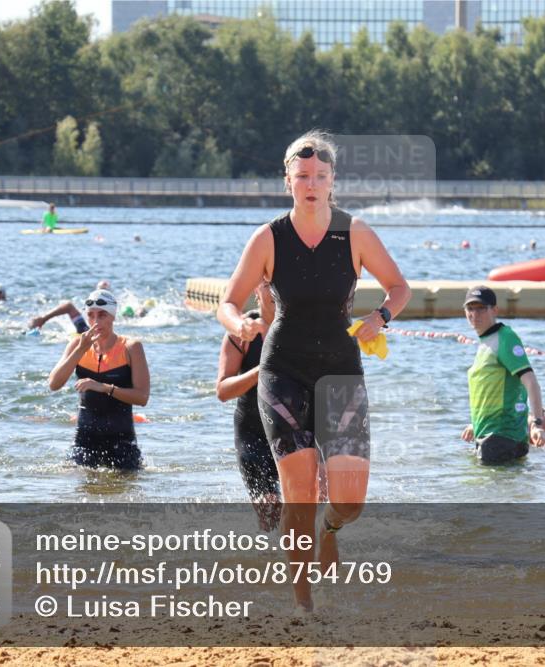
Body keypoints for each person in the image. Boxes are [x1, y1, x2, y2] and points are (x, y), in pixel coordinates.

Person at [216, 131, 411, 612]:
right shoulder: (268, 238)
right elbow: (227, 301)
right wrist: (238, 322)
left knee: (349, 502)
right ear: (288, 180)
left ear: (332, 181)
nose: (311, 183)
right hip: (282, 371)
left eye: (320, 176)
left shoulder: (356, 232)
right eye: (302, 176)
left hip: (341, 371)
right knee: (298, 495)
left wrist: (380, 318)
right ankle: (303, 604)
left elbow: (399, 287)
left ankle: (331, 529)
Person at [48, 289, 150, 470]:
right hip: (84, 440)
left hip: (122, 441)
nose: (96, 322)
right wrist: (80, 350)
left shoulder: (131, 347)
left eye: (102, 315)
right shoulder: (77, 345)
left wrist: (104, 387)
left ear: (113, 317)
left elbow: (142, 397)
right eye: (91, 316)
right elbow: (54, 384)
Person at [458, 286, 545, 464]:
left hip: (502, 437)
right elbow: (490, 392)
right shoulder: (486, 342)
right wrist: (476, 424)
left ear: (494, 310)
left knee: (484, 489)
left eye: (481, 308)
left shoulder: (505, 338)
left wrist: (537, 424)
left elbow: (531, 382)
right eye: (470, 309)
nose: (475, 314)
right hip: (489, 435)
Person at [216, 281, 281, 531]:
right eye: (267, 284)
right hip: (252, 431)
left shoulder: (302, 330)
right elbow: (222, 390)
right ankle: (266, 563)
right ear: (256, 291)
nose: (274, 289)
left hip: (295, 431)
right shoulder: (242, 333)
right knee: (269, 508)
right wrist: (261, 370)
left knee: (305, 507)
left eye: (279, 281)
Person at [29, 280, 111, 333]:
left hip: (91, 333)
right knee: (69, 306)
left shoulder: (110, 305)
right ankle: (41, 320)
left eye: (104, 291)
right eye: (100, 290)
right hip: (86, 330)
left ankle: (40, 321)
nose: (101, 293)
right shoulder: (93, 301)